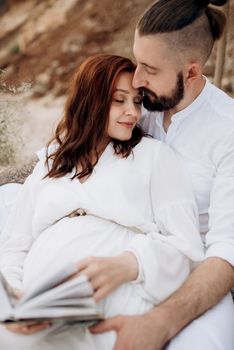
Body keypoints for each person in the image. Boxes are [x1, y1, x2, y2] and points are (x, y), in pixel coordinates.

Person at [0, 54, 204, 350]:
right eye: (119, 100)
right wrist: (16, 297)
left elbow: (186, 245)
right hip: (40, 307)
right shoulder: (50, 163)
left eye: (137, 101)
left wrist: (129, 264)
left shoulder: (153, 156)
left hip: (117, 296)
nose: (132, 112)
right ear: (90, 101)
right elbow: (15, 245)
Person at [90, 0, 234, 349]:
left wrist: (159, 323)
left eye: (150, 69)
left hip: (194, 275)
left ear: (192, 73)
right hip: (124, 249)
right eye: (137, 60)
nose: (137, 79)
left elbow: (225, 254)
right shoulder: (140, 107)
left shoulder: (227, 131)